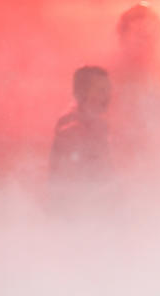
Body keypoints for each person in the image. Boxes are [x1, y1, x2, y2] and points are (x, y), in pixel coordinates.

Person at [109, 2, 160, 175]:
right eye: (140, 35)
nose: (147, 41)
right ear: (123, 36)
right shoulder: (109, 76)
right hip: (118, 161)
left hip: (158, 160)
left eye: (151, 35)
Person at [48, 65, 112, 208]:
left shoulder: (99, 124)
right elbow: (72, 183)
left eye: (108, 90)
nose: (107, 96)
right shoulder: (71, 128)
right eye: (101, 90)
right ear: (81, 93)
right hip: (77, 214)